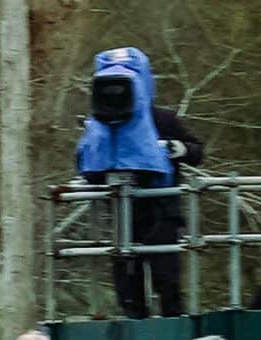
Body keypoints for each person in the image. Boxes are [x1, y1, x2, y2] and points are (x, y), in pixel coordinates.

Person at [76, 47, 203, 318]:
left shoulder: (163, 119)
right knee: (127, 283)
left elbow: (197, 151)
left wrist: (177, 149)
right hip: (122, 216)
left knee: (166, 280)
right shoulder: (100, 126)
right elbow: (87, 168)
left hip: (162, 211)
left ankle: (172, 339)